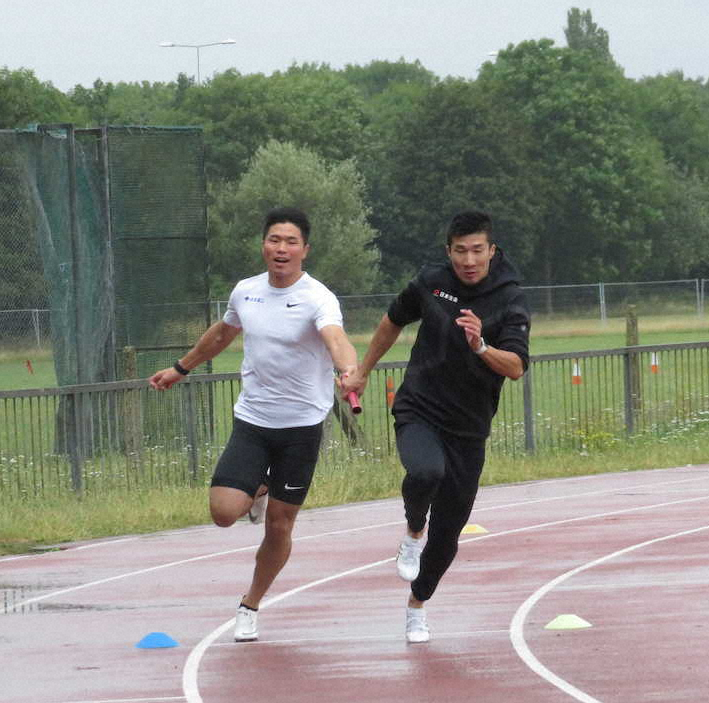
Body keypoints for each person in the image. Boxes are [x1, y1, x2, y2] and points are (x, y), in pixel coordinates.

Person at [149, 207, 359, 642]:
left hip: (301, 428)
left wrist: (348, 371)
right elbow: (223, 335)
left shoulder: (318, 297)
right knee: (224, 513)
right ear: (264, 245)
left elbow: (336, 339)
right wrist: (179, 368)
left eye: (291, 242)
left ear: (305, 249)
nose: (281, 250)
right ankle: (258, 487)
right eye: (274, 241)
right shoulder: (246, 292)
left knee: (279, 525)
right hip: (254, 421)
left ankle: (251, 604)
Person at [350, 210, 530, 643]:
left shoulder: (509, 296)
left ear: (492, 250)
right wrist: (363, 370)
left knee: (448, 535)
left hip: (469, 427)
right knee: (425, 471)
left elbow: (517, 367)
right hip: (420, 407)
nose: (469, 261)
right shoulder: (431, 281)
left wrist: (482, 345)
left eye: (477, 251)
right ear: (448, 251)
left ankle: (417, 605)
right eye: (460, 251)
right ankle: (413, 530)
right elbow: (393, 318)